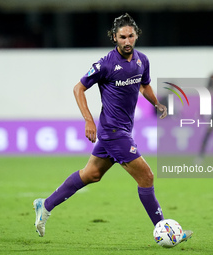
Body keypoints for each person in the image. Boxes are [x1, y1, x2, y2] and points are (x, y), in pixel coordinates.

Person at [33, 13, 192, 244]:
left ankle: (45, 204)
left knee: (91, 175)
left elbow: (144, 85)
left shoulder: (142, 61)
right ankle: (166, 232)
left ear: (136, 35)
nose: (127, 41)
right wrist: (88, 120)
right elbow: (78, 88)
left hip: (123, 131)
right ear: (114, 38)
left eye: (131, 36)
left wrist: (156, 103)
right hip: (112, 132)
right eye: (122, 37)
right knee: (146, 177)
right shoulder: (105, 64)